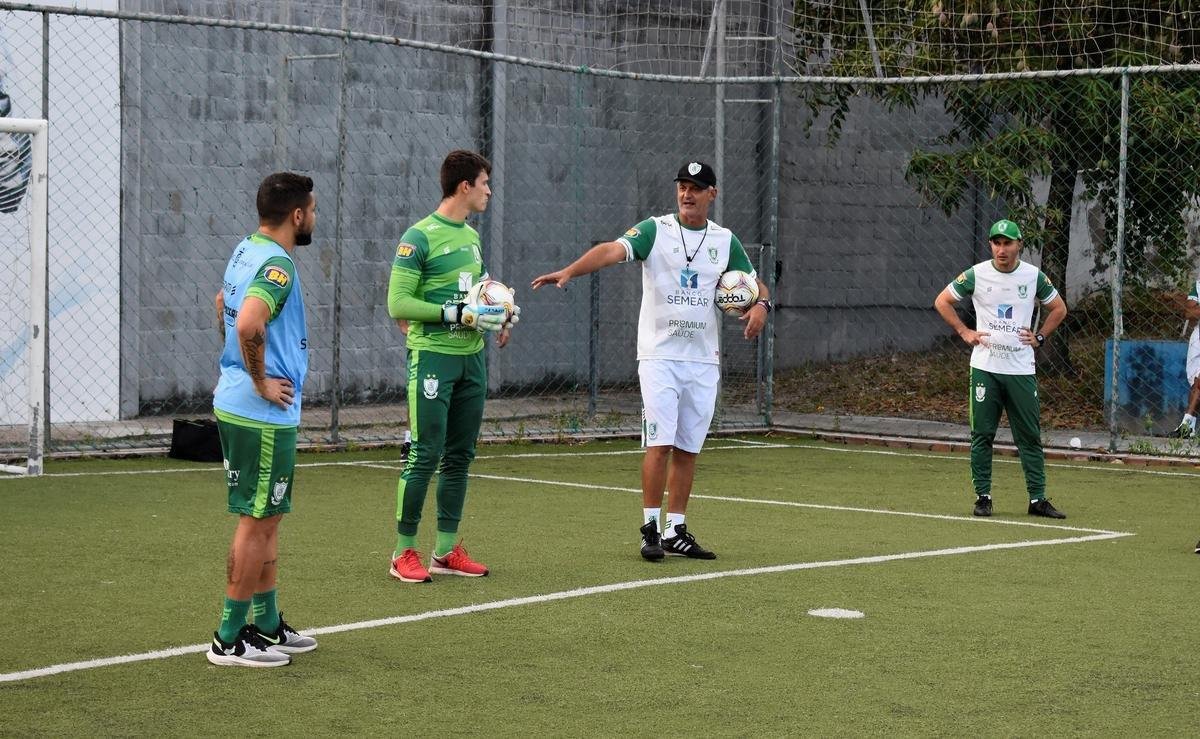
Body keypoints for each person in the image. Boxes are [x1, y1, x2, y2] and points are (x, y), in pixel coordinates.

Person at [531, 160, 769, 561]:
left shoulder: (725, 240)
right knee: (660, 443)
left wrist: (762, 305)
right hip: (660, 357)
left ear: (712, 194)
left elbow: (754, 282)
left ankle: (676, 530)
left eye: (696, 187)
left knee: (688, 448)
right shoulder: (655, 230)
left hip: (703, 360)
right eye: (682, 186)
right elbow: (612, 250)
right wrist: (571, 270)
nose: (687, 193)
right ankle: (650, 529)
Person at [386, 149, 518, 583]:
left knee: (460, 456)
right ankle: (403, 552)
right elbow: (398, 303)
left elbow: (479, 292)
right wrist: (455, 314)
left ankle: (444, 550)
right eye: (484, 183)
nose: (489, 191)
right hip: (432, 358)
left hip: (471, 360)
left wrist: (500, 315)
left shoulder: (472, 237)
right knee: (425, 454)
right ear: (465, 186)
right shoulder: (418, 237)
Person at [207, 172, 319, 667]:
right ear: (297, 215)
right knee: (256, 521)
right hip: (260, 413)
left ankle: (268, 624)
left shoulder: (246, 249)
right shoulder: (278, 265)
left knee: (268, 517)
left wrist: (239, 366)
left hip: (247, 406)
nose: (314, 217)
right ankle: (228, 638)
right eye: (312, 210)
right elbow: (249, 321)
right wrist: (259, 382)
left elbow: (223, 306)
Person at [933, 218, 1069, 520]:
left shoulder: (1033, 276)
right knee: (982, 435)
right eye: (997, 243)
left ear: (1019, 244)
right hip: (986, 368)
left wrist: (1040, 337)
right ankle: (983, 497)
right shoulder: (977, 274)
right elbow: (942, 301)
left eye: (1008, 243)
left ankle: (1037, 500)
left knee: (1029, 436)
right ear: (991, 245)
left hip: (1020, 369)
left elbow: (1059, 308)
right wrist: (964, 331)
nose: (1002, 249)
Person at [1163, 282, 1200, 438]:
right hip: (1198, 340)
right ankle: (1188, 427)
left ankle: (1187, 425)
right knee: (1196, 381)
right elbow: (1189, 313)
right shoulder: (1198, 285)